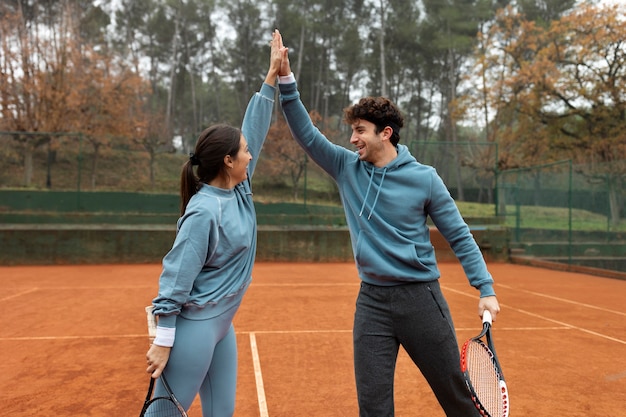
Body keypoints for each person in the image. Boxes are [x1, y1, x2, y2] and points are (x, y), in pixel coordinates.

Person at [273, 31, 501, 416]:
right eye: (353, 131)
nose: (353, 138)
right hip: (372, 302)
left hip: (421, 300)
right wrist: (286, 80)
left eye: (360, 130)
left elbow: (459, 236)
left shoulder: (425, 178)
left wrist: (485, 286)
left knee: (456, 396)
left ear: (385, 133)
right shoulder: (347, 168)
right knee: (374, 406)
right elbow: (308, 136)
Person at [144, 30, 284, 416]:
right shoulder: (205, 210)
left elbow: (253, 128)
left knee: (221, 413)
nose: (250, 156)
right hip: (193, 330)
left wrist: (271, 76)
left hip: (222, 326)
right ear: (227, 161)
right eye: (244, 153)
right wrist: (165, 338)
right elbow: (176, 275)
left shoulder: (240, 189)